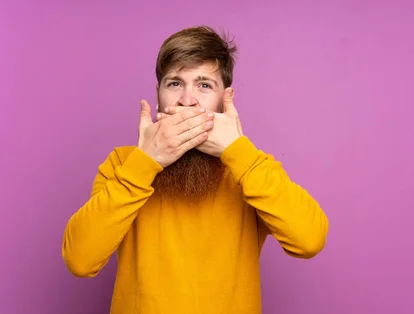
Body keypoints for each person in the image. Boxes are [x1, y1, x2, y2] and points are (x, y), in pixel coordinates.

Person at [61, 25, 329, 314]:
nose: (187, 100)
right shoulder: (123, 164)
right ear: (159, 94)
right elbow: (80, 260)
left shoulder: (249, 167)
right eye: (175, 83)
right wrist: (144, 162)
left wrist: (240, 153)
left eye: (204, 85)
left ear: (225, 100)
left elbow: (309, 240)